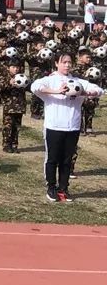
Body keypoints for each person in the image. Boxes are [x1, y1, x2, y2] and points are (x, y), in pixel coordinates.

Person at [30, 52, 104, 202]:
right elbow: (34, 87)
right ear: (56, 63)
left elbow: (99, 90)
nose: (67, 65)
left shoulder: (77, 81)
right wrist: (56, 91)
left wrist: (87, 92)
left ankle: (63, 188)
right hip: (54, 126)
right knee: (52, 159)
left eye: (69, 62)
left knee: (67, 160)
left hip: (73, 127)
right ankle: (51, 187)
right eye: (64, 62)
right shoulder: (50, 80)